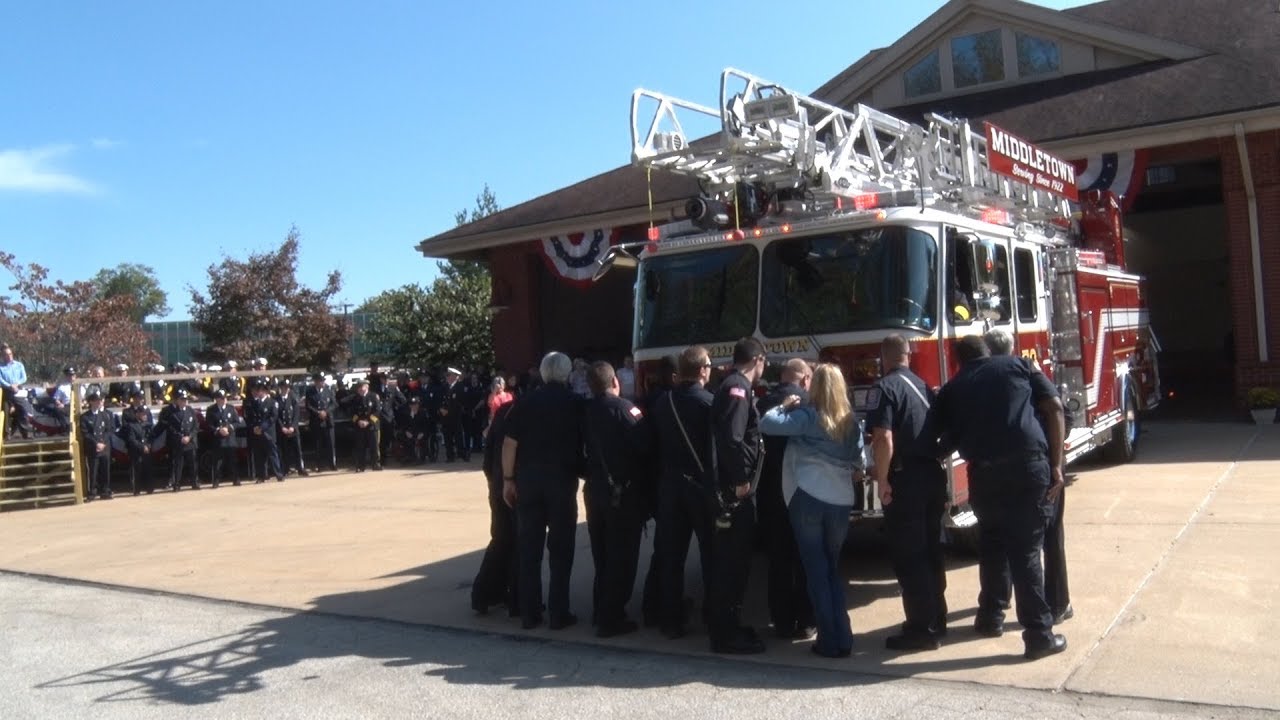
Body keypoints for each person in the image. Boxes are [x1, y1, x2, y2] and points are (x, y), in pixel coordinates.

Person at [924, 335, 1068, 660]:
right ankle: (1039, 635)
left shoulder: (952, 388)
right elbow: (1055, 406)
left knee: (992, 546)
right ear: (988, 353)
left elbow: (939, 438)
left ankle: (991, 617)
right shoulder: (1018, 365)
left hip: (983, 476)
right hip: (1027, 469)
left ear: (958, 360)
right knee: (1027, 552)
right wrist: (1056, 465)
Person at [760, 363, 865, 658]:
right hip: (841, 501)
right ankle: (844, 636)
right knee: (832, 569)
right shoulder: (850, 422)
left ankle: (830, 641)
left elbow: (767, 422)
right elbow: (859, 462)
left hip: (806, 496)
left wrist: (785, 404)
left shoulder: (806, 416)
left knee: (816, 571)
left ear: (814, 386)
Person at [984, 328, 1072, 625]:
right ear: (1013, 347)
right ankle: (1057, 605)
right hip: (1040, 466)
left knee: (1004, 539)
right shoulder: (1028, 371)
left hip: (1013, 469)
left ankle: (1000, 603)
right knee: (1048, 538)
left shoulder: (983, 379)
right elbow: (1058, 410)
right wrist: (1056, 463)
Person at [869, 334, 948, 651]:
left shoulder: (884, 388)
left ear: (883, 357)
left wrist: (883, 479)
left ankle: (920, 629)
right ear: (908, 356)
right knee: (931, 550)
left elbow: (884, 437)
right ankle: (936, 619)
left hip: (906, 479)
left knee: (910, 555)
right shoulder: (923, 386)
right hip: (931, 475)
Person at [500, 351, 585, 630]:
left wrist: (508, 479)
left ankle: (530, 613)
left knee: (529, 549)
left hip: (528, 482)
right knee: (561, 550)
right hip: (561, 483)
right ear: (566, 373)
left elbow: (509, 444)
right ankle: (559, 613)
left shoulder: (525, 402)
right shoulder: (575, 403)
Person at [582, 361, 654, 638]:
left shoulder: (584, 411)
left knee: (602, 555)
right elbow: (646, 447)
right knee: (622, 558)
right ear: (615, 381)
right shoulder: (626, 409)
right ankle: (611, 618)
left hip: (594, 491)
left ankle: (600, 609)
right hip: (622, 494)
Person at [707, 337, 769, 655]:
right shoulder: (738, 388)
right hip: (735, 493)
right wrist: (741, 481)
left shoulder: (732, 385)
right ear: (757, 360)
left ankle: (729, 625)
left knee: (736, 563)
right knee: (733, 564)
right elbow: (731, 439)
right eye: (764, 363)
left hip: (731, 489)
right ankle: (726, 634)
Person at [650, 346, 716, 639]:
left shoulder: (663, 403)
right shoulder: (710, 403)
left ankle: (671, 621)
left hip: (670, 487)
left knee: (671, 558)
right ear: (702, 370)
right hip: (701, 488)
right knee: (710, 554)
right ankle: (713, 616)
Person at [757, 358, 817, 641]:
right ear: (805, 379)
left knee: (778, 561)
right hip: (803, 491)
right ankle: (806, 621)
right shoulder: (811, 403)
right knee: (805, 558)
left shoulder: (762, 403)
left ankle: (781, 621)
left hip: (770, 493)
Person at [639, 352, 679, 628]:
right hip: (676, 481)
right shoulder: (679, 401)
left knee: (663, 548)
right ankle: (666, 608)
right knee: (671, 549)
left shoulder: (647, 402)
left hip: (655, 480)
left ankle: (652, 604)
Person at [472, 398, 519, 616]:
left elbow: (488, 455)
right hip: (511, 487)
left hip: (498, 484)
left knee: (501, 539)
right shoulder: (520, 413)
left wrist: (495, 482)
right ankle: (510, 595)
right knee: (515, 542)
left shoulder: (502, 413)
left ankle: (486, 594)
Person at [244, 380, 283, 483]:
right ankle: (261, 476)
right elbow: (250, 417)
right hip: (257, 432)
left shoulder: (272, 402)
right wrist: (254, 427)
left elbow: (273, 417)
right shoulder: (254, 403)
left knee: (272, 454)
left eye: (260, 390)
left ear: (265, 391)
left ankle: (278, 474)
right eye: (257, 390)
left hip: (268, 432)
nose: (258, 392)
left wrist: (262, 427)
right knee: (259, 455)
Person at [118, 389, 156, 495]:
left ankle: (149, 488)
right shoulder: (127, 413)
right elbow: (126, 430)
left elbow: (151, 431)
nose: (140, 400)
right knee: (136, 468)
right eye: (138, 398)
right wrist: (140, 445)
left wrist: (148, 445)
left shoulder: (147, 413)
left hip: (146, 446)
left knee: (148, 468)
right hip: (135, 446)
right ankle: (137, 489)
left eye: (141, 398)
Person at [79, 391, 115, 500]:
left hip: (104, 446)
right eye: (96, 400)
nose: (99, 402)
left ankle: (105, 490)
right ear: (91, 402)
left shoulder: (105, 415)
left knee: (105, 469)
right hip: (93, 447)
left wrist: (103, 442)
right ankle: (92, 492)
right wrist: (96, 443)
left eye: (99, 400)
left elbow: (109, 430)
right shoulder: (85, 417)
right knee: (93, 470)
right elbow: (85, 433)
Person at [205, 388, 243, 487]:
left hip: (230, 439)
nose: (224, 400)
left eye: (225, 398)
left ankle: (236, 479)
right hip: (218, 439)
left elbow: (237, 422)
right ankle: (216, 481)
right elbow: (209, 424)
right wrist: (218, 430)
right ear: (217, 399)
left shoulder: (231, 408)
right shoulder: (211, 410)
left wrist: (229, 428)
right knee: (217, 462)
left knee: (233, 460)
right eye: (221, 398)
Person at [165, 388, 201, 491]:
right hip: (179, 442)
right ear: (177, 400)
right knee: (178, 464)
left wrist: (189, 437)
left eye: (185, 400)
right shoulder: (172, 412)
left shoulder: (190, 411)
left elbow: (195, 425)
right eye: (182, 400)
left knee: (193, 463)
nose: (184, 401)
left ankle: (195, 482)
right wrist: (180, 437)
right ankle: (177, 484)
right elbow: (171, 428)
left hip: (190, 441)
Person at [275, 378, 309, 477]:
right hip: (283, 429)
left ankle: (300, 468)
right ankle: (286, 469)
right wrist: (282, 427)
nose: (285, 389)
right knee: (284, 450)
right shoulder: (276, 400)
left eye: (286, 388)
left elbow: (296, 414)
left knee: (297, 450)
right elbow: (276, 416)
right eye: (283, 388)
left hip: (293, 428)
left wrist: (293, 426)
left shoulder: (293, 399)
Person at [304, 373, 338, 471]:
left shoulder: (329, 390)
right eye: (320, 381)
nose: (322, 382)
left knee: (330, 444)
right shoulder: (310, 391)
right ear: (316, 382)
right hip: (316, 420)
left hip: (328, 421)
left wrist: (326, 412)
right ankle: (319, 465)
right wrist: (318, 412)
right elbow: (308, 405)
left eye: (323, 380)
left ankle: (332, 464)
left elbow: (334, 404)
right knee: (318, 444)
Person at [347, 378, 381, 472]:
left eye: (362, 386)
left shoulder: (374, 396)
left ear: (367, 387)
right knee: (360, 447)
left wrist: (368, 422)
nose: (361, 389)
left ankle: (376, 464)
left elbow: (377, 411)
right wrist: (358, 421)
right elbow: (352, 413)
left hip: (372, 426)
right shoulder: (355, 398)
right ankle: (361, 466)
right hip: (360, 426)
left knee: (374, 446)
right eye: (359, 387)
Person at [0, 343, 33, 438]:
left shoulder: (19, 365)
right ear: (2, 356)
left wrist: (16, 384)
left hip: (18, 391)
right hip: (6, 392)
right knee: (5, 412)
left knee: (22, 411)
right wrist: (10, 386)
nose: (9, 356)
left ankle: (25, 433)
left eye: (10, 354)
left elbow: (24, 377)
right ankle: (6, 434)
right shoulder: (1, 367)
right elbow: (0, 379)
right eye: (6, 354)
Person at [378, 374, 407, 465]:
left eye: (387, 379)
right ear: (381, 379)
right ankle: (380, 458)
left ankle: (385, 457)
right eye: (384, 379)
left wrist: (396, 407)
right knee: (379, 439)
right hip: (378, 417)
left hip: (389, 417)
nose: (386, 380)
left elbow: (403, 400)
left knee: (387, 438)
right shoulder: (376, 388)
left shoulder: (393, 388)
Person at [441, 367, 468, 462]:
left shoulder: (460, 387)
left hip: (456, 416)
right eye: (447, 375)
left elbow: (459, 402)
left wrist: (448, 410)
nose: (447, 377)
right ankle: (450, 456)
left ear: (455, 376)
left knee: (458, 436)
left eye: (449, 375)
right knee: (447, 436)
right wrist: (441, 409)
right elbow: (441, 400)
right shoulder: (444, 387)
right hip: (445, 416)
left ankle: (462, 454)